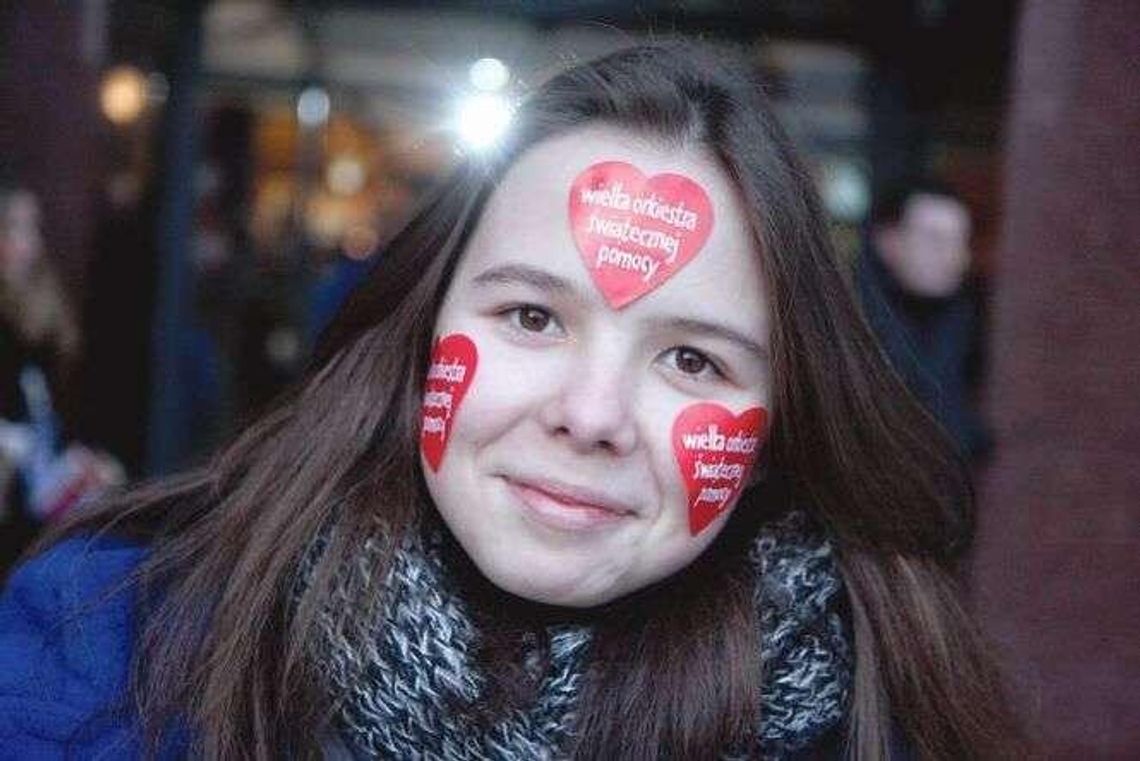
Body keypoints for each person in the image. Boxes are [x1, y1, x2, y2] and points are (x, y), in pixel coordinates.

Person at [0, 44, 1023, 759]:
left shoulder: (891, 718)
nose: (591, 412)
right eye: (533, 317)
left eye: (694, 362)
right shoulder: (103, 644)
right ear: (423, 335)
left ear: (771, 439)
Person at [856, 181, 990, 460]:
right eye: (934, 239)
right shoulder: (851, 318)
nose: (952, 256)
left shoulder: (962, 316)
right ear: (889, 241)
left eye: (959, 241)